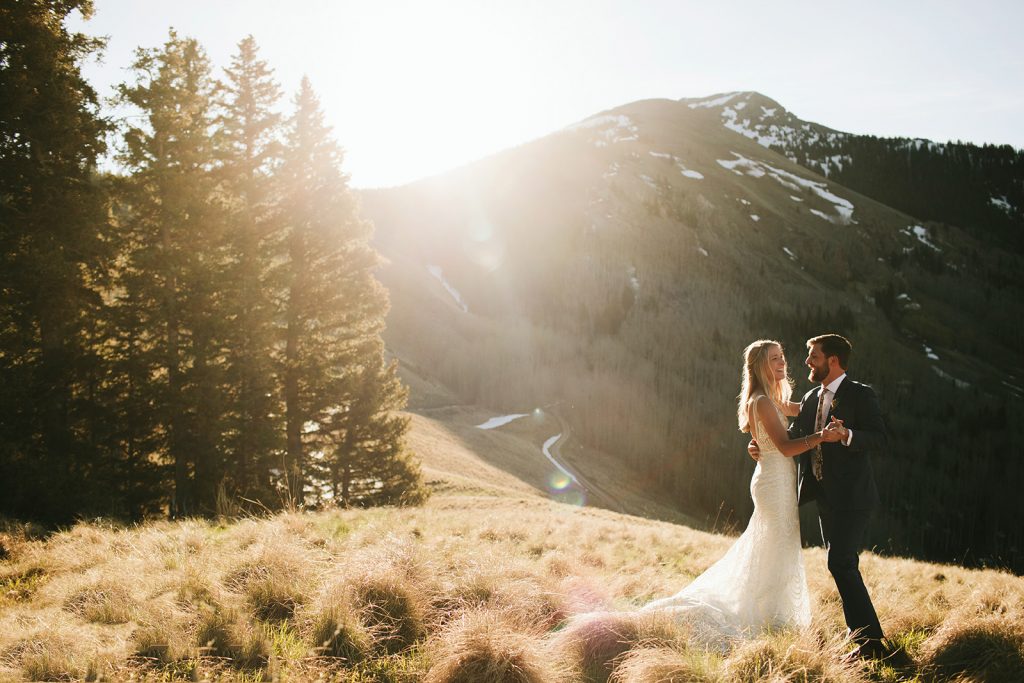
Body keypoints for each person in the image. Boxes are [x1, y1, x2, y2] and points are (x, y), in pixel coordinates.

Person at [642, 339, 843, 650]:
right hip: (773, 484)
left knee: (776, 547)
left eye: (783, 358)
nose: (783, 364)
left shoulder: (774, 398)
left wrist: (837, 401)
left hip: (779, 480)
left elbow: (806, 409)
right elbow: (787, 446)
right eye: (775, 359)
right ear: (761, 365)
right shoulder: (762, 401)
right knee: (775, 547)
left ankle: (771, 614)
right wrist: (822, 437)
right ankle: (767, 617)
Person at [749, 333, 889, 660]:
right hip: (826, 500)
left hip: (853, 497)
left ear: (833, 361)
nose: (807, 362)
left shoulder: (860, 395)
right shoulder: (812, 397)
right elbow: (791, 438)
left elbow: (881, 439)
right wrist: (759, 444)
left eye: (813, 357)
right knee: (841, 564)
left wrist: (847, 435)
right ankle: (862, 634)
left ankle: (870, 645)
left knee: (840, 562)